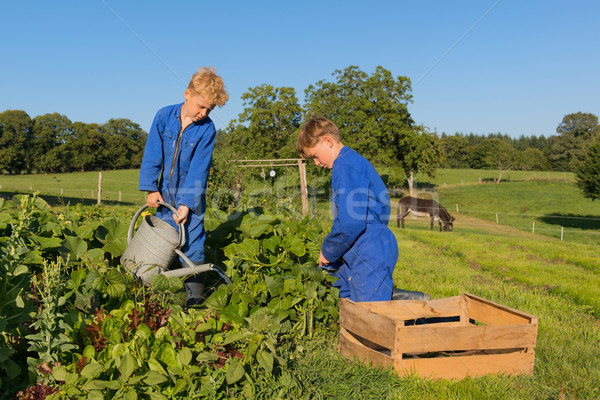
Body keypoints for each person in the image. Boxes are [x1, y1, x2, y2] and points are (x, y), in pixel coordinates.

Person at [138, 66, 228, 306]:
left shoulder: (207, 129)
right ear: (187, 94)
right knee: (163, 237)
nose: (204, 112)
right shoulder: (163, 117)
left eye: (209, 109)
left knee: (193, 238)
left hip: (192, 196)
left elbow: (200, 169)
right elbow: (152, 154)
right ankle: (151, 286)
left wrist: (187, 204)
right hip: (164, 195)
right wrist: (150, 188)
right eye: (201, 106)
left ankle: (195, 294)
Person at [297, 116, 398, 302]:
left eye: (315, 156)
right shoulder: (351, 163)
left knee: (370, 317)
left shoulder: (345, 165)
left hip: (369, 247)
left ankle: (416, 316)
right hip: (364, 244)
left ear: (328, 141)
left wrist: (328, 250)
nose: (316, 163)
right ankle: (396, 299)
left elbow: (351, 221)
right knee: (340, 291)